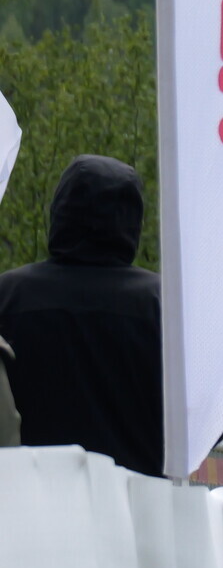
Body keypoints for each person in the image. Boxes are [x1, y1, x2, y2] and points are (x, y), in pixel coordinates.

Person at [0, 155, 163, 474]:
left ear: (60, 210)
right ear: (132, 217)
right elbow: (205, 424)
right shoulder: (165, 307)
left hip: (30, 494)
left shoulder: (8, 296)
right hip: (137, 498)